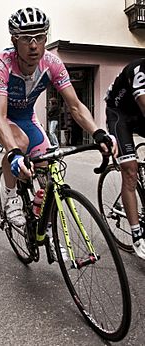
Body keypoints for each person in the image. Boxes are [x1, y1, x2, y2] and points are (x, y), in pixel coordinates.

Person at [0, 7, 117, 259]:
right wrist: (13, 153)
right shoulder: (2, 64)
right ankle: (12, 195)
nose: (34, 45)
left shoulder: (52, 63)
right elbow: (0, 116)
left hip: (26, 118)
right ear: (14, 40)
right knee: (20, 143)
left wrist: (98, 133)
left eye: (40, 37)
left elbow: (76, 106)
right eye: (26, 38)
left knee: (48, 164)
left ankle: (42, 221)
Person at [105, 58, 145, 260]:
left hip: (139, 116)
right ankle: (137, 234)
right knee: (130, 170)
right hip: (119, 114)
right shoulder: (139, 69)